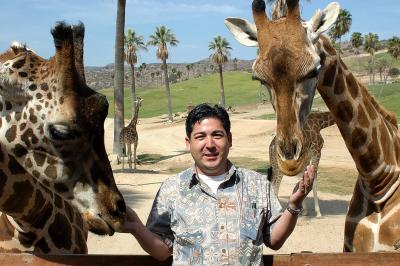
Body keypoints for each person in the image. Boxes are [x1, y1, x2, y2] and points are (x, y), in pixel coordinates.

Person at [123, 103, 316, 265]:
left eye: (217, 135)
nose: (210, 144)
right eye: (200, 137)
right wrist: (136, 228)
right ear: (188, 142)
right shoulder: (171, 189)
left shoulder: (256, 184)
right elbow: (162, 251)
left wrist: (294, 205)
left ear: (229, 139)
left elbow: (274, 240)